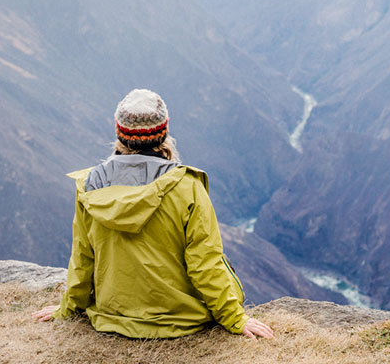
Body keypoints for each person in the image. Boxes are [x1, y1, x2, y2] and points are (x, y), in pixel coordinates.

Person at [32, 88, 274, 339]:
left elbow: (83, 258)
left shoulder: (91, 187)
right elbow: (205, 263)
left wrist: (68, 308)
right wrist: (235, 318)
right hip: (179, 318)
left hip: (113, 316)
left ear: (120, 133)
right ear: (164, 132)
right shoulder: (187, 186)